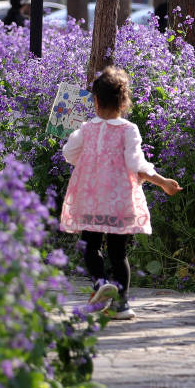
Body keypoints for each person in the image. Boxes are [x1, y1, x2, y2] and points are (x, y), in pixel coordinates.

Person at [60, 66, 181, 321]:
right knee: (118, 253)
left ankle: (100, 284)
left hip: (90, 198)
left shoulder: (86, 129)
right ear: (123, 102)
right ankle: (122, 305)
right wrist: (162, 182)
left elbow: (69, 154)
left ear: (95, 100)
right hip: (119, 201)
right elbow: (136, 164)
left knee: (90, 246)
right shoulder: (129, 130)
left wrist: (85, 152)